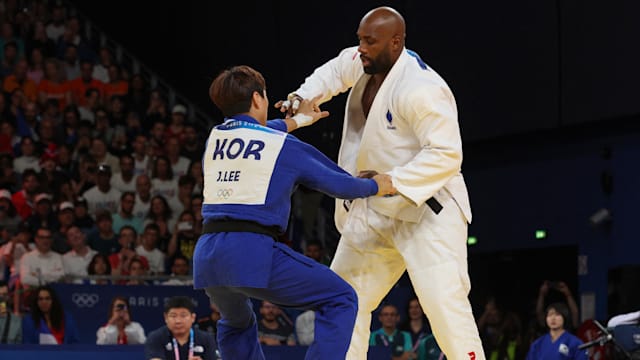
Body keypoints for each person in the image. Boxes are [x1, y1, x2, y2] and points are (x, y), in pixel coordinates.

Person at [278, 6, 484, 359]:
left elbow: (447, 154)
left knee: (443, 306)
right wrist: (301, 97)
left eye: (370, 42)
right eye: (360, 40)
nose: (361, 48)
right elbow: (331, 74)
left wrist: (393, 180)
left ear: (396, 42)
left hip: (426, 212)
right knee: (343, 299)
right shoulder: (362, 61)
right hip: (374, 208)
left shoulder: (423, 88)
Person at [192, 65, 395, 360]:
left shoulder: (215, 138)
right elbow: (341, 185)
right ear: (259, 99)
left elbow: (255, 134)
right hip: (250, 251)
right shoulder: (283, 147)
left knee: (236, 322)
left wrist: (299, 120)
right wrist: (377, 185)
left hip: (208, 258)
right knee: (340, 298)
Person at [144, 296, 218, 360]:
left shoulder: (206, 339)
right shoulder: (156, 337)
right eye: (173, 316)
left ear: (193, 317)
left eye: (183, 316)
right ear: (166, 317)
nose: (178, 321)